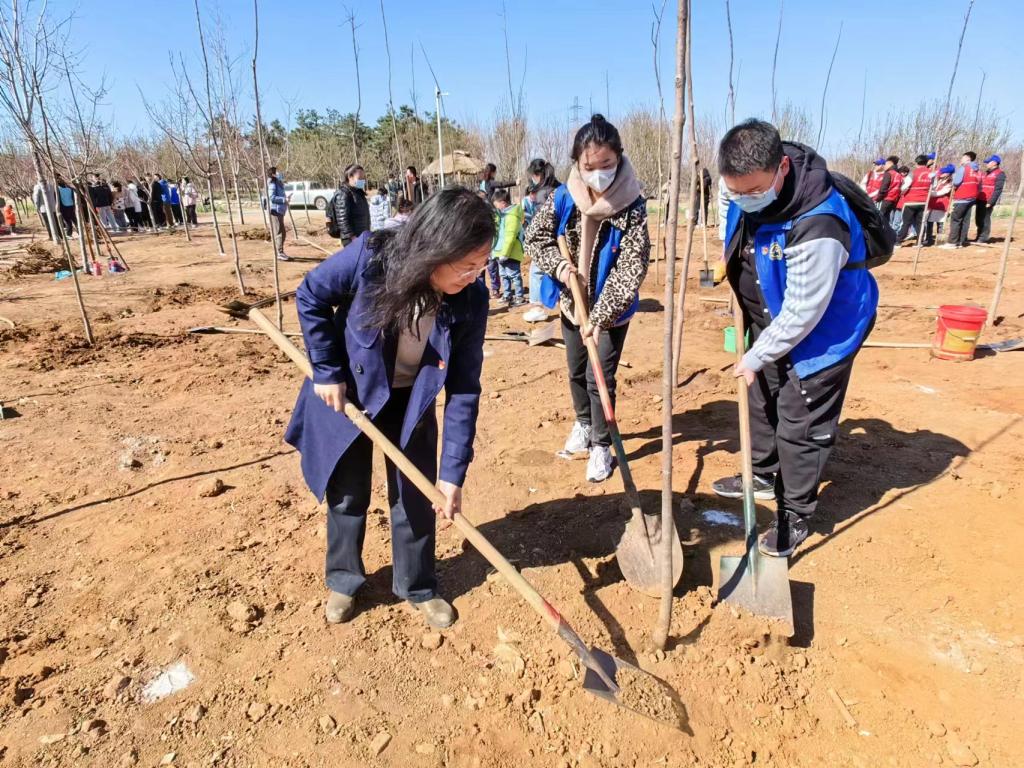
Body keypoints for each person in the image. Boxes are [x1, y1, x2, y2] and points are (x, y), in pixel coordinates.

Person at [284, 187, 493, 628]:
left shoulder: (471, 300)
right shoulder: (372, 257)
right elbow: (311, 295)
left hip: (411, 398)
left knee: (416, 493)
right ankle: (344, 579)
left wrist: (452, 473)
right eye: (467, 265)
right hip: (351, 391)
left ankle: (417, 585)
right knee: (348, 490)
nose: (475, 275)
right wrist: (326, 371)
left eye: (482, 264)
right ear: (437, 250)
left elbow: (463, 389)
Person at [712, 119, 878, 558]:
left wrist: (756, 355)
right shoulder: (741, 190)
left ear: (782, 167)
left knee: (799, 419)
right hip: (769, 320)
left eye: (753, 191)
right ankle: (762, 474)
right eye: (736, 191)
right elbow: (733, 218)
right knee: (761, 399)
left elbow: (804, 311)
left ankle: (795, 511)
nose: (745, 199)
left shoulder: (819, 222)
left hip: (824, 332)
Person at [525, 114, 650, 483]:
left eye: (606, 165)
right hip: (572, 303)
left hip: (611, 310)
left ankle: (601, 444)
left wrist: (600, 316)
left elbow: (631, 266)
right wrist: (560, 268)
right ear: (577, 164)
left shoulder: (632, 204)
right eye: (589, 167)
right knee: (577, 370)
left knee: (600, 378)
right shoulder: (565, 197)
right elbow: (535, 238)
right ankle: (583, 423)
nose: (598, 174)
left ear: (619, 158)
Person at [523, 158, 561, 322]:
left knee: (536, 271)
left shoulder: (542, 193)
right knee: (559, 271)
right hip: (561, 237)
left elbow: (542, 221)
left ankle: (537, 307)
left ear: (537, 175)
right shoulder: (558, 187)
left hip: (547, 239)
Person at [491, 188, 526, 306]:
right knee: (503, 275)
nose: (496, 208)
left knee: (514, 275)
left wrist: (505, 253)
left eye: (496, 205)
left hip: (511, 252)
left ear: (503, 203)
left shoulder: (512, 216)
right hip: (500, 252)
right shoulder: (501, 215)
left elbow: (510, 236)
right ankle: (507, 295)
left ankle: (519, 297)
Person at [942, 151, 979, 249]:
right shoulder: (977, 170)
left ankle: (952, 242)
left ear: (967, 158)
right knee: (965, 220)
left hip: (962, 198)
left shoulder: (963, 168)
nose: (961, 160)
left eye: (962, 158)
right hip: (972, 198)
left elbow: (957, 182)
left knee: (956, 219)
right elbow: (980, 184)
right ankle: (961, 241)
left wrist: (953, 180)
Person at [895, 155, 934, 246]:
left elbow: (905, 186)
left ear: (916, 163)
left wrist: (901, 191)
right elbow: (934, 186)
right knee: (920, 222)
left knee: (906, 223)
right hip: (924, 201)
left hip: (910, 201)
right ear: (926, 162)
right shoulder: (931, 173)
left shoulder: (913, 173)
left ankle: (898, 241)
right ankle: (919, 241)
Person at [328, 164, 371, 247]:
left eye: (363, 178)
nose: (362, 181)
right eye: (360, 178)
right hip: (352, 239)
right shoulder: (343, 194)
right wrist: (352, 237)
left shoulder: (358, 192)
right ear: (350, 177)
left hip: (361, 236)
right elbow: (342, 220)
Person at [975, 154, 1005, 243]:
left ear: (994, 163)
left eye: (988, 162)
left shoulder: (1000, 174)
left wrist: (991, 201)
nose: (987, 164)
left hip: (988, 200)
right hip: (980, 199)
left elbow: (998, 190)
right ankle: (979, 235)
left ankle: (984, 238)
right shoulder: (986, 173)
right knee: (978, 218)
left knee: (985, 219)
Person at [926, 164, 954, 243]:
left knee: (940, 223)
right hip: (933, 204)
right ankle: (928, 239)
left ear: (948, 174)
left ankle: (940, 240)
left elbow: (941, 192)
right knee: (929, 222)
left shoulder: (950, 183)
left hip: (942, 205)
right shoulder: (939, 180)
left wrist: (929, 193)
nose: (941, 174)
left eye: (943, 173)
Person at [266, 165, 289, 260]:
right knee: (279, 232)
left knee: (282, 232)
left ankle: (280, 251)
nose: (280, 174)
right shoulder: (272, 184)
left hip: (280, 211)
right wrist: (284, 200)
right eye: (278, 172)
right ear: (273, 174)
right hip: (275, 211)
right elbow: (272, 197)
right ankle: (279, 253)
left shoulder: (279, 183)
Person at [877, 156, 901, 227]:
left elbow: (884, 188)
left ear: (890, 164)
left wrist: (878, 198)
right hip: (894, 200)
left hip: (887, 198)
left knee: (880, 217)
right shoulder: (898, 175)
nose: (884, 166)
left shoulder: (889, 173)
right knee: (887, 219)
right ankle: (887, 231)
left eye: (885, 164)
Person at [690, 159, 713, 226]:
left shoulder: (707, 179)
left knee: (704, 209)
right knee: (696, 208)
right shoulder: (698, 177)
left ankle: (704, 222)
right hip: (698, 195)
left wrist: (699, 186)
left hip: (705, 195)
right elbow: (694, 184)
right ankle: (695, 222)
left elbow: (704, 186)